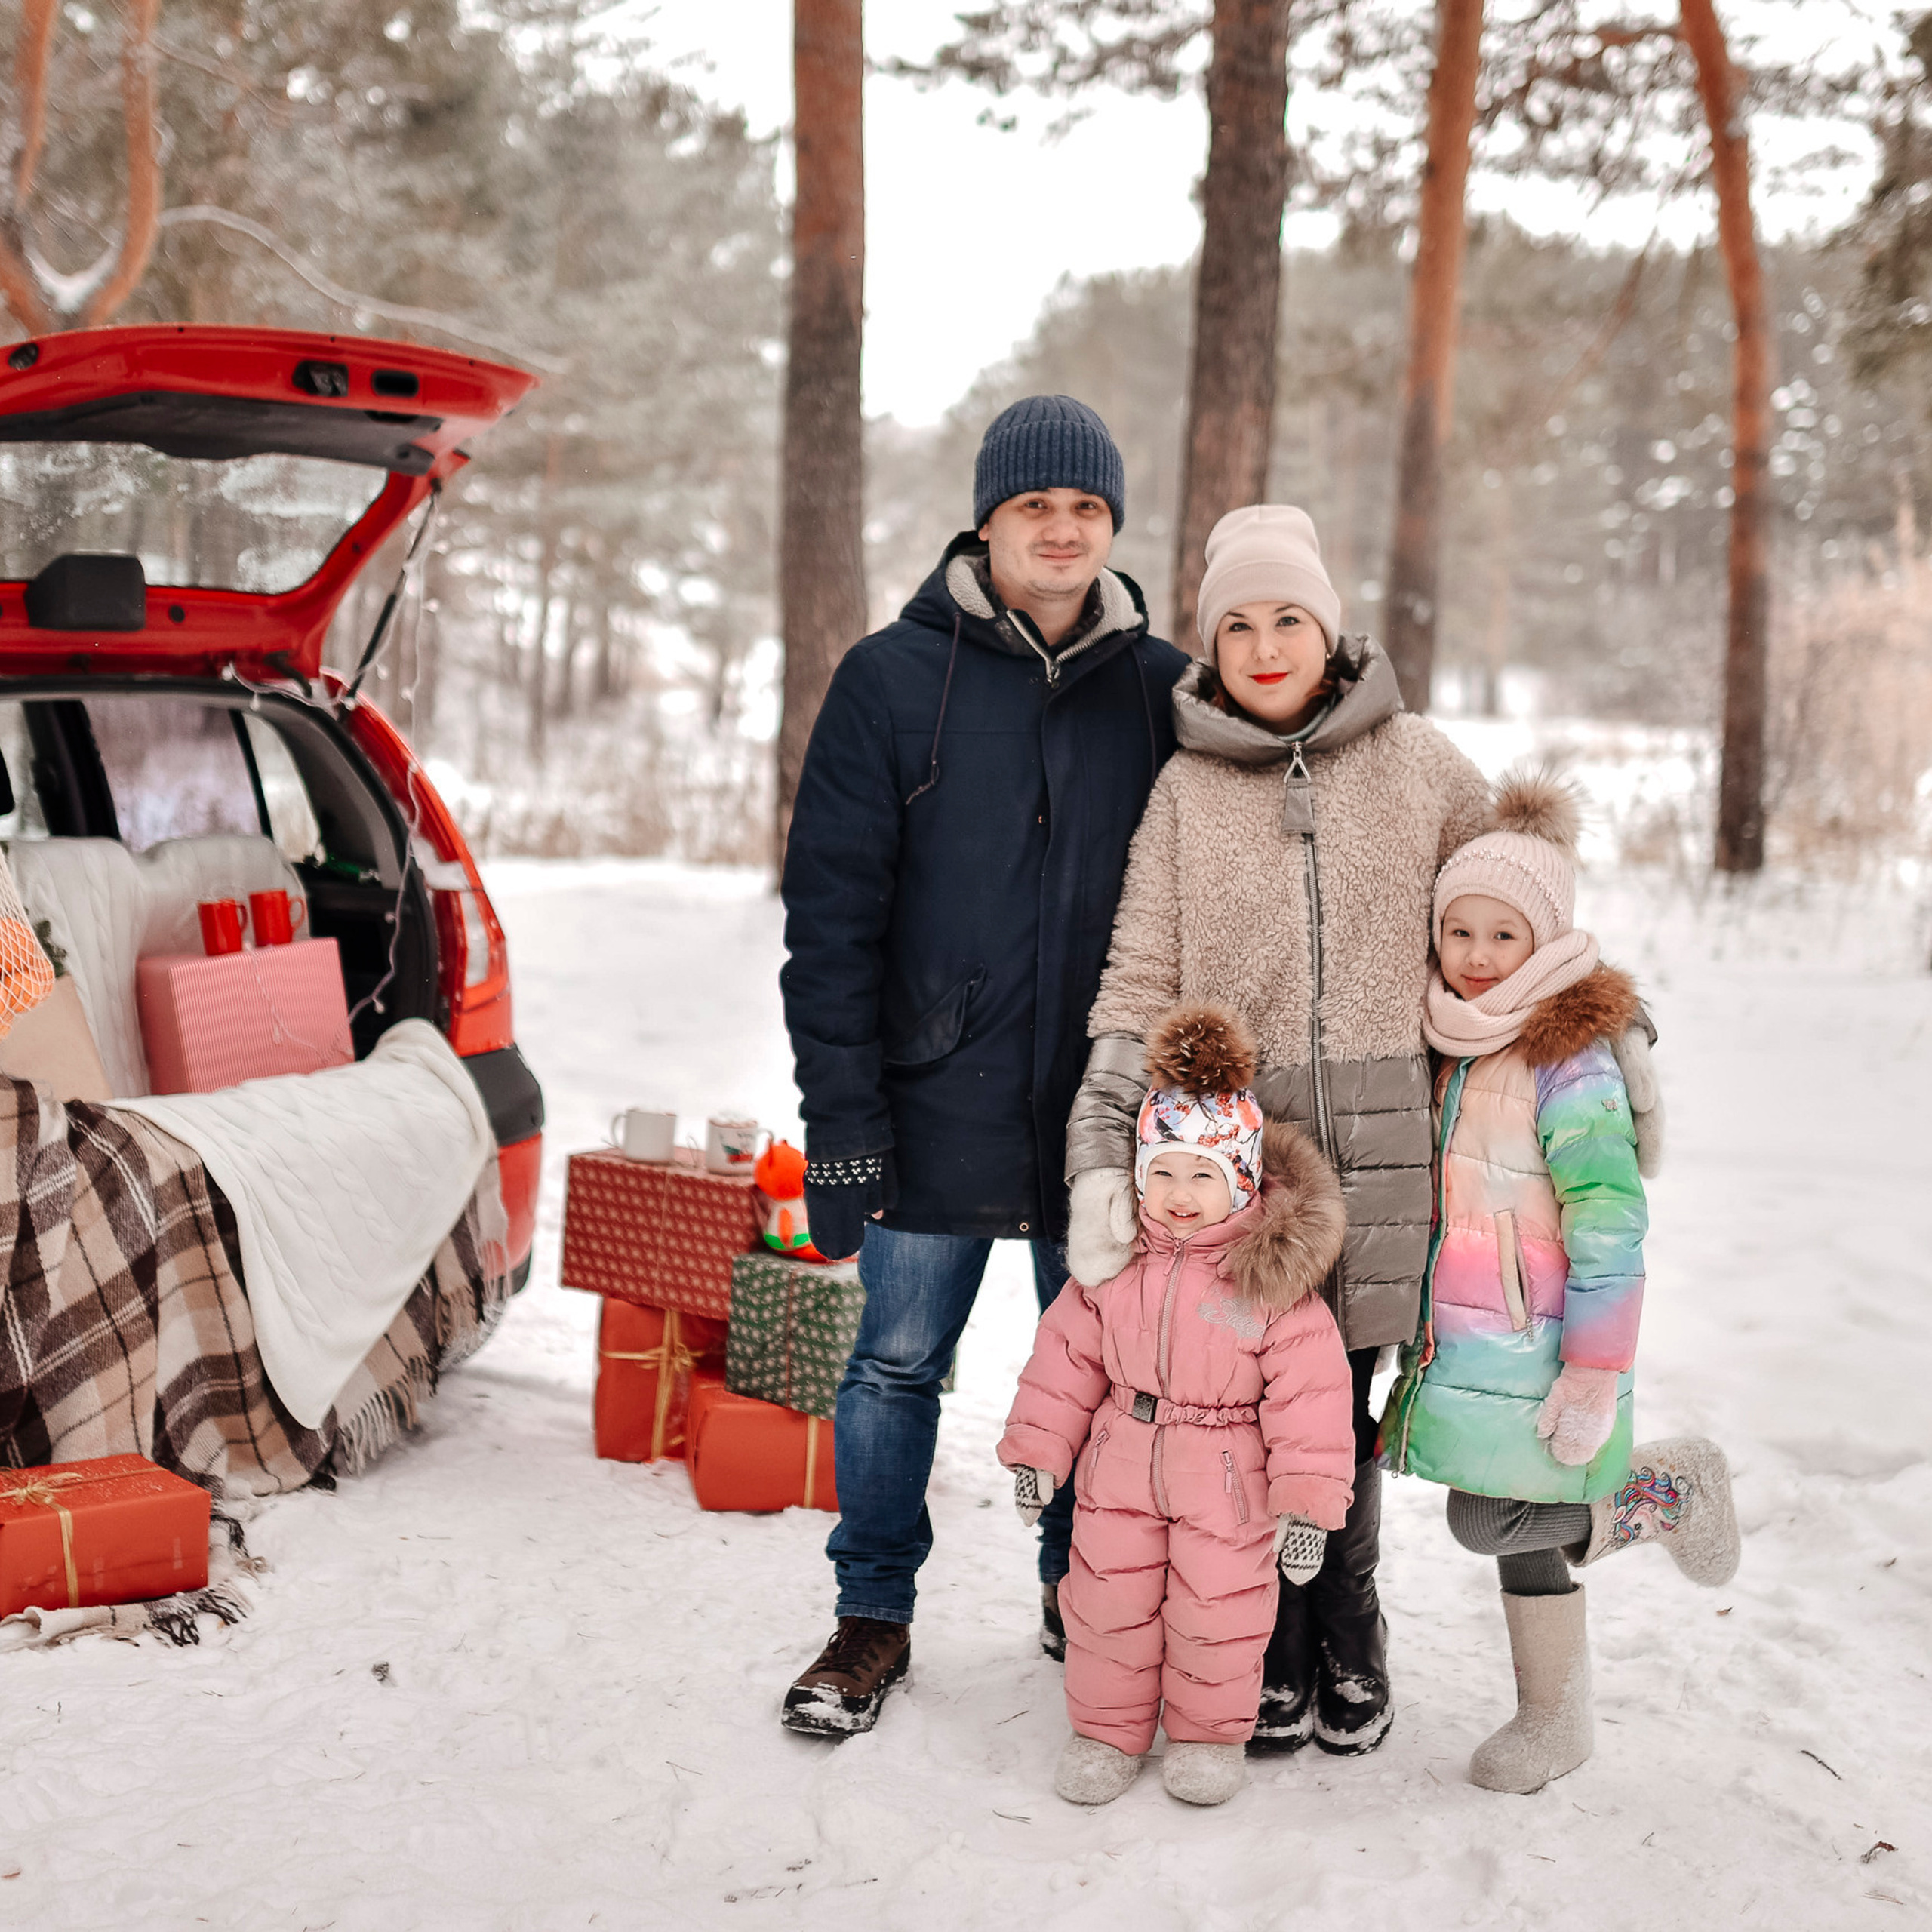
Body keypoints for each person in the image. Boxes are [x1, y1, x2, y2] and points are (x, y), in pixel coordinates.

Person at [778, 395, 1189, 1736]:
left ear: (1112, 526)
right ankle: (871, 1617)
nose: (1060, 531)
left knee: (1109, 1374)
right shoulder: (891, 681)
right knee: (895, 1367)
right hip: (930, 1102)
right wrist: (843, 1121)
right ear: (988, 521)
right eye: (1034, 508)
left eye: (1085, 509)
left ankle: (1087, 1594)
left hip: (1103, 1124)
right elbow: (831, 922)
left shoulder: (1163, 691)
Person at [1063, 503, 1491, 1755]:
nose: (1263, 644)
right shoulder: (1189, 788)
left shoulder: (1415, 763)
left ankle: (1346, 1626)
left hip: (1380, 1148)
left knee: (1338, 1409)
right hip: (1245, 1166)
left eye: (1287, 618)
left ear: (1329, 626)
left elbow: (1509, 901)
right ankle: (1269, 1645)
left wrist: (1596, 1027)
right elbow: (1141, 970)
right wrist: (1103, 1146)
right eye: (1237, 623)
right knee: (1248, 1410)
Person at [1379, 768, 1740, 1794]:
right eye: (1462, 932)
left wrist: (1592, 1371)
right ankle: (1555, 1721)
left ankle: (1667, 1487)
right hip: (1470, 1337)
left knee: (1487, 1516)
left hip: (1543, 1341)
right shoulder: (1450, 1037)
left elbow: (1612, 1223)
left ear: (1547, 940)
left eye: (1505, 935)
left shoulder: (1565, 1056)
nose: (1481, 956)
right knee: (1499, 1513)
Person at [1000, 1005, 1355, 1808]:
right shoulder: (1115, 1266)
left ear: (1239, 1179)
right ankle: (1104, 1732)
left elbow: (1312, 1400)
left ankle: (1204, 1736)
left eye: (1203, 1175)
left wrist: (1305, 1508)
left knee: (1218, 1611)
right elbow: (1063, 1365)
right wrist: (1035, 1452)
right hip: (1120, 1458)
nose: (1179, 1194)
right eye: (1162, 1171)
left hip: (1228, 1479)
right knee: (1105, 1601)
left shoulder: (1268, 1282)